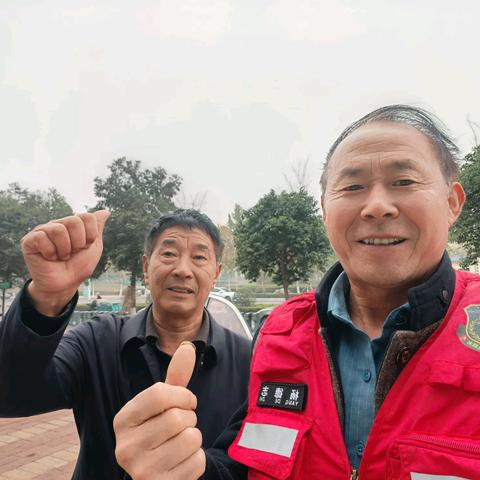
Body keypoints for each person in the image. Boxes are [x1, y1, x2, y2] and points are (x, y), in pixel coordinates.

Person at [114, 104, 480, 480]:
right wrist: (186, 469)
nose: (377, 207)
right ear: (324, 210)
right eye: (353, 186)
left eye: (403, 182)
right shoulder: (280, 334)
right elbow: (242, 465)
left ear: (452, 203)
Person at [0, 209, 251, 479]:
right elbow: (11, 394)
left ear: (216, 273)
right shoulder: (96, 341)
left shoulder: (248, 361)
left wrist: (195, 469)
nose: (182, 270)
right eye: (168, 254)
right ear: (145, 266)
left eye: (199, 257)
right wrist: (47, 297)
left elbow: (248, 462)